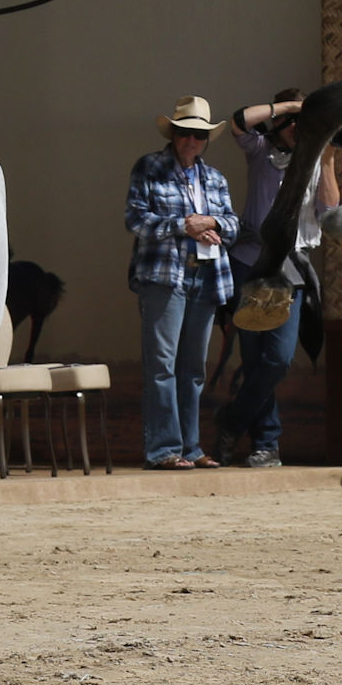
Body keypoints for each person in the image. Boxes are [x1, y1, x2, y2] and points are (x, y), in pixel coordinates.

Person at [218, 90, 341, 466]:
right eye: (293, 122)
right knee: (254, 359)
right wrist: (291, 108)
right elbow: (238, 122)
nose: (298, 128)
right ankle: (266, 443)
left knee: (278, 359)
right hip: (251, 261)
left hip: (290, 268)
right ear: (280, 122)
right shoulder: (261, 150)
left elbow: (329, 209)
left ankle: (231, 422)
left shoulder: (313, 159)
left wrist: (327, 155)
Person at [125, 96, 238, 469]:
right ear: (173, 134)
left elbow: (234, 225)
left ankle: (190, 447)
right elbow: (135, 219)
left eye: (199, 135)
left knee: (193, 368)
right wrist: (184, 226)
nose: (192, 140)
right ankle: (163, 449)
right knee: (162, 365)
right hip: (164, 275)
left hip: (207, 276)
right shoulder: (149, 167)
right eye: (185, 132)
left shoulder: (214, 178)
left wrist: (211, 223)